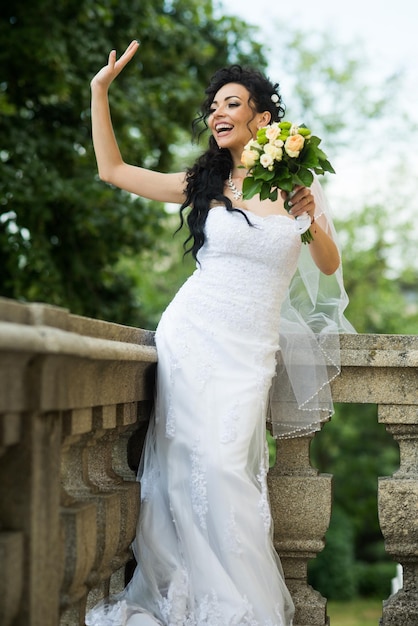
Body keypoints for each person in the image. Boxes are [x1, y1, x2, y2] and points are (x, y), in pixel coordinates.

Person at [86, 41, 354, 626]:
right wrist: (99, 92)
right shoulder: (204, 185)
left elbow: (330, 266)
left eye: (231, 103)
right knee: (185, 465)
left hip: (249, 349)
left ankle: (233, 608)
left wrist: (309, 215)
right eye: (212, 107)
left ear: (262, 118)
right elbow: (113, 171)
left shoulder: (297, 186)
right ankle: (195, 600)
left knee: (228, 467)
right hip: (192, 336)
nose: (216, 113)